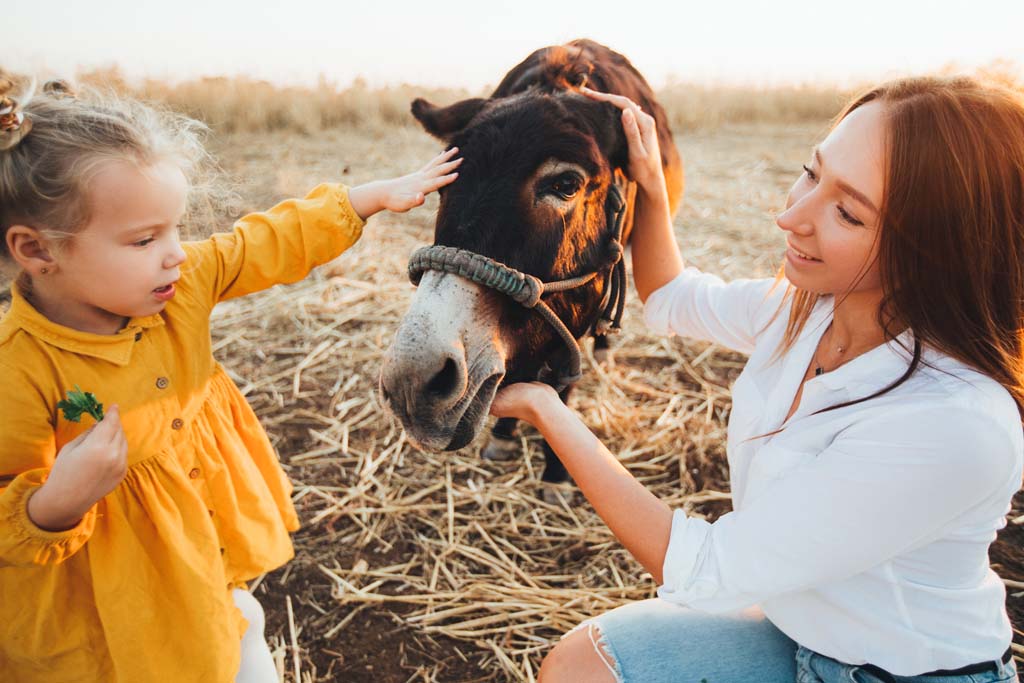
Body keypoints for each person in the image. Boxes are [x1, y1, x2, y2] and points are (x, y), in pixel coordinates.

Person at [490, 76, 1024, 682]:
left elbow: (706, 570)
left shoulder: (955, 424)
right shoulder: (806, 312)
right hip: (793, 635)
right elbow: (671, 296)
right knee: (580, 664)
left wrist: (547, 409)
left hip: (905, 674)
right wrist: (649, 182)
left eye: (847, 212)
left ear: (939, 252)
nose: (789, 216)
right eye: (812, 172)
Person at [0, 75, 460, 682]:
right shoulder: (19, 369)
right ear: (37, 251)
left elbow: (261, 243)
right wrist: (57, 501)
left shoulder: (180, 287)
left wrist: (367, 199)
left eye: (174, 228)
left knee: (227, 623)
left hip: (194, 550)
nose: (177, 253)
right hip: (107, 603)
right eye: (144, 239)